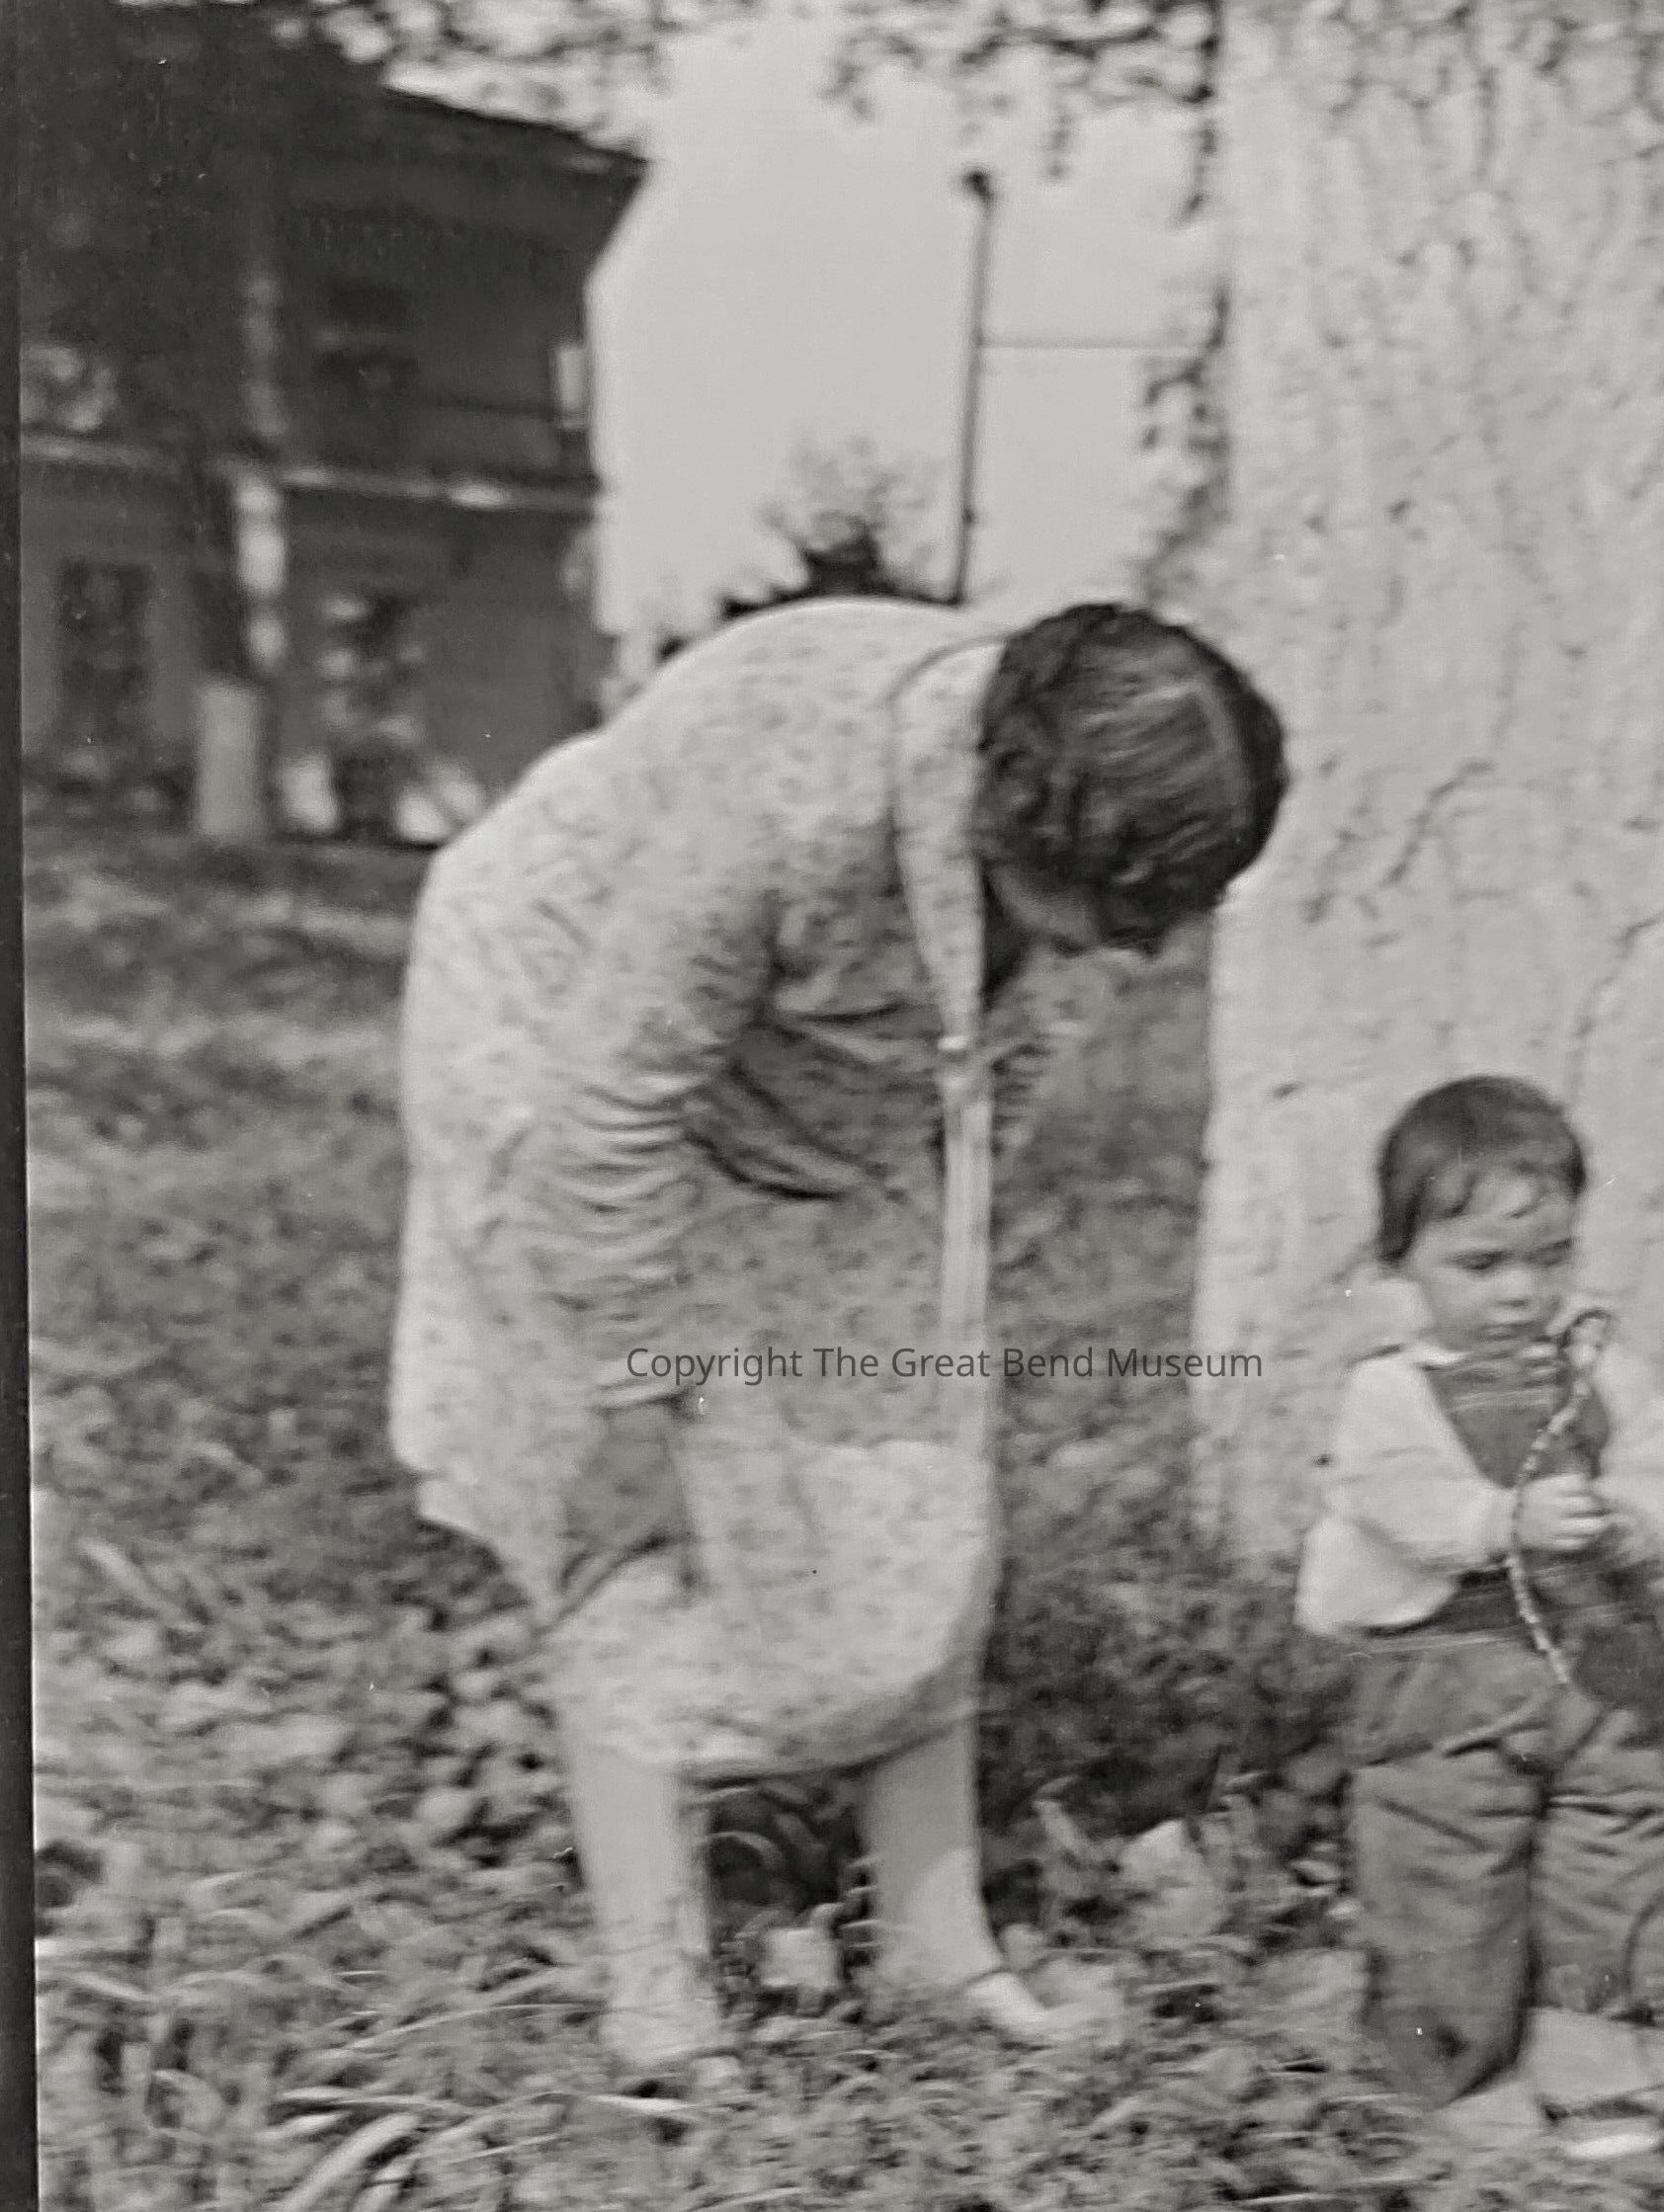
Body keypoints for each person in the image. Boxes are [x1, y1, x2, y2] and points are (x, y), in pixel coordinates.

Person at [391, 596, 1288, 2085]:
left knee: (916, 1468)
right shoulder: (788, 799)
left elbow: (993, 1088)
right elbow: (608, 1118)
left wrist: (915, 1304)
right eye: (1120, 914)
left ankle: (939, 1944)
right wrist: (643, 1388)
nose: (1143, 950)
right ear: (1011, 813)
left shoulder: (1076, 842)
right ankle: (659, 1992)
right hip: (569, 1040)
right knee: (653, 1508)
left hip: (808, 1083)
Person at [1296, 1078, 1664, 2129]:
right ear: (1403, 1260)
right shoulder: (1388, 1389)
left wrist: (1630, 1516)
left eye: (1549, 1258)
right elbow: (1393, 1497)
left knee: (1620, 1858)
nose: (1521, 1293)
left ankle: (1611, 2074)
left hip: (1597, 1677)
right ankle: (1447, 2085)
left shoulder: (1599, 1369)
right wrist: (1501, 1519)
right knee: (1441, 1882)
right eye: (1481, 1266)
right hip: (1442, 1683)